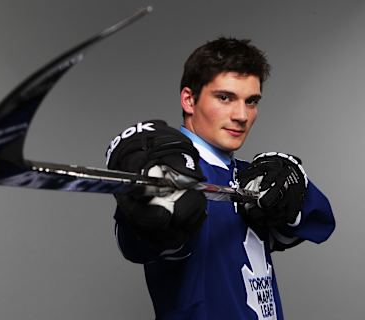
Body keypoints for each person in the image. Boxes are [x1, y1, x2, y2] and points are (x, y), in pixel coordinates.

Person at [105, 37, 335, 320]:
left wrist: (294, 180)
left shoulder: (254, 178)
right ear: (189, 100)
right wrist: (146, 191)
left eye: (251, 101)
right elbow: (137, 242)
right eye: (225, 98)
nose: (242, 115)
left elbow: (320, 221)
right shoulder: (168, 176)